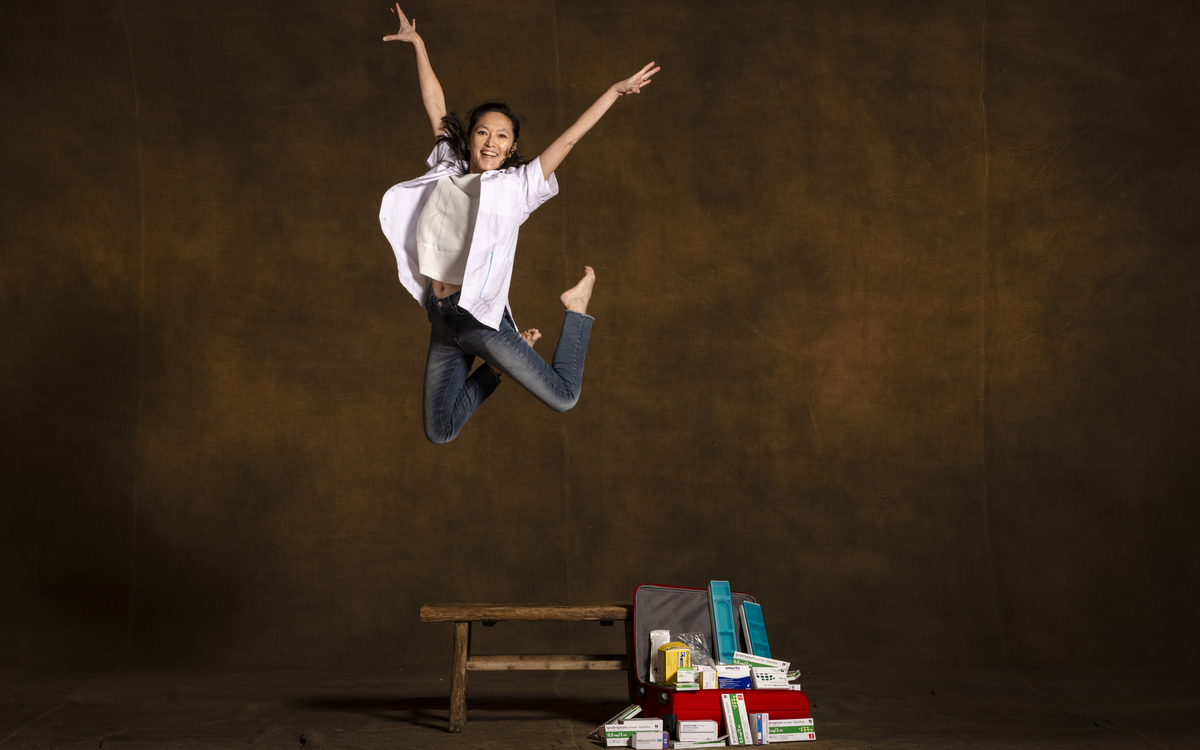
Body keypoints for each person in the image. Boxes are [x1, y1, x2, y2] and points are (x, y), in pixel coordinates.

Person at [378, 4, 659, 444]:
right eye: (484, 132)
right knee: (440, 430)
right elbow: (434, 102)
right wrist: (419, 44)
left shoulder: (518, 186)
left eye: (503, 136)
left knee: (564, 396)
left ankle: (577, 308)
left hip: (480, 322)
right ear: (470, 137)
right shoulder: (450, 164)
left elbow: (568, 139)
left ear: (511, 150)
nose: (491, 141)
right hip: (441, 316)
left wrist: (613, 91)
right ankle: (494, 371)